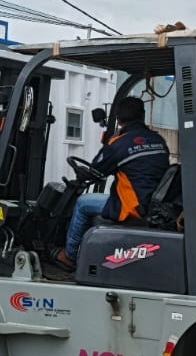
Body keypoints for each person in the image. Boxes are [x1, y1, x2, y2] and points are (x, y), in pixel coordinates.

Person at [55, 96, 169, 266]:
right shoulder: (157, 140)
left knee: (82, 203)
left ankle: (70, 255)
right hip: (153, 203)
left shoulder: (119, 143)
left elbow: (97, 168)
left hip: (133, 206)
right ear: (142, 115)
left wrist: (111, 143)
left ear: (118, 118)